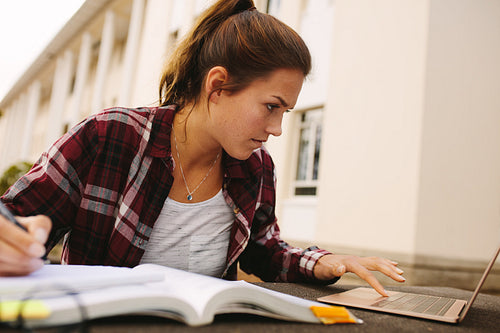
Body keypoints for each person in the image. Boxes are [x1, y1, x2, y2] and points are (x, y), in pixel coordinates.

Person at [0, 0, 404, 296]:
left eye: (285, 112)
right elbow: (11, 216)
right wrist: (15, 239)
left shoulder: (255, 167)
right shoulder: (109, 136)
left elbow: (265, 251)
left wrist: (327, 263)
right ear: (217, 86)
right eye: (270, 107)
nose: (278, 129)